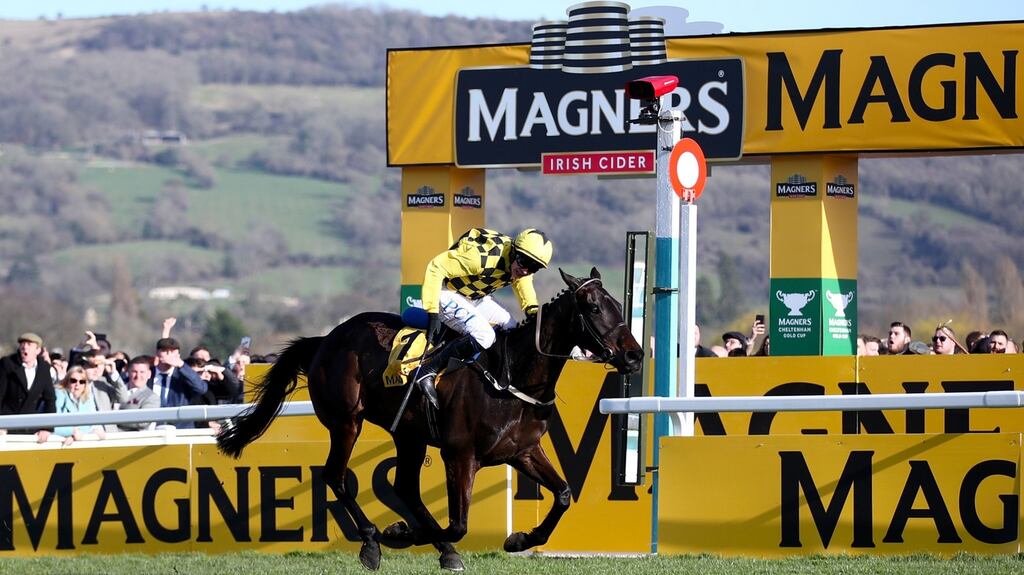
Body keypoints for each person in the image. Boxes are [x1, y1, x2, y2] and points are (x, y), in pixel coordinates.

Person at [416, 227, 553, 408]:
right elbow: (436, 266)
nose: (526, 270)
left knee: (511, 326)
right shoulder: (480, 259)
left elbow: (524, 287)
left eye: (534, 267)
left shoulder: (520, 264)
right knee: (485, 335)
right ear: (513, 251)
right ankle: (428, 370)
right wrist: (432, 311)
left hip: (474, 296)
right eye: (524, 262)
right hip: (446, 292)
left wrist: (533, 312)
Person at [0, 333, 58, 443]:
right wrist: (1, 423)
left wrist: (47, 428)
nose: (24, 347)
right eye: (22, 344)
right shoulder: (7, 364)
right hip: (8, 425)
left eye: (29, 344)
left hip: (31, 427)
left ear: (37, 350)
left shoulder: (44, 368)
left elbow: (50, 400)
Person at [151, 337, 208, 427]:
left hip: (180, 429)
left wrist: (182, 365)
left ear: (178, 355)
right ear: (157, 353)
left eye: (173, 352)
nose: (169, 355)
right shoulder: (147, 374)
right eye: (165, 351)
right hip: (151, 428)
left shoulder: (184, 374)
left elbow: (201, 388)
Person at [53, 366, 105, 446]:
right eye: (73, 381)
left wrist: (96, 430)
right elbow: (52, 423)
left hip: (82, 442)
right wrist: (71, 432)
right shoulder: (59, 394)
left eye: (82, 382)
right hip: (58, 442)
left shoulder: (88, 398)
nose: (77, 385)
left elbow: (93, 422)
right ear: (67, 382)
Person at [116, 356, 160, 431]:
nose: (138, 376)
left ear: (149, 374)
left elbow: (142, 422)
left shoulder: (152, 397)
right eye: (134, 372)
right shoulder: (115, 389)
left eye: (142, 372)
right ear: (128, 372)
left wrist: (112, 418)